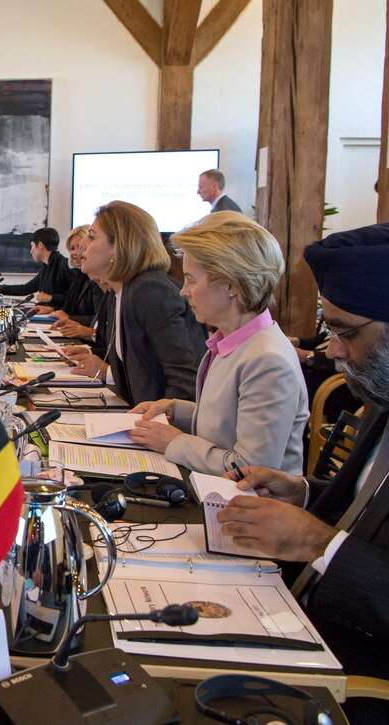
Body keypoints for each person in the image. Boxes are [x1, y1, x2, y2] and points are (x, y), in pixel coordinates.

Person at [217, 222, 389, 694]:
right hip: (302, 613)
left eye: (342, 331)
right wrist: (303, 493)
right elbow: (366, 508)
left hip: (357, 672)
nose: (330, 349)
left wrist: (319, 544)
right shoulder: (383, 398)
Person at [127, 213, 308, 475]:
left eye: (191, 279)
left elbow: (251, 470)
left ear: (230, 285)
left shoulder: (268, 360)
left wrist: (173, 441)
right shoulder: (233, 341)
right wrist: (176, 410)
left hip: (251, 507)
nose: (183, 291)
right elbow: (229, 423)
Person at [65, 201, 205, 406]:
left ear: (120, 246)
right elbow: (139, 363)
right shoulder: (119, 292)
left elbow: (185, 380)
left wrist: (156, 429)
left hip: (162, 428)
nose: (83, 244)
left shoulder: (150, 290)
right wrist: (91, 354)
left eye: (92, 237)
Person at [34, 226, 104, 329]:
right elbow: (71, 307)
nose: (74, 253)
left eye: (80, 247)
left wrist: (69, 317)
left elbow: (100, 320)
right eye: (72, 248)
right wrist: (53, 310)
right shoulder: (80, 275)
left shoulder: (97, 279)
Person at [0, 227, 77, 305]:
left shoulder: (66, 265)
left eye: (32, 246)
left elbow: (76, 298)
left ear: (40, 245)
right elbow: (25, 289)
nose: (31, 251)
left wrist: (51, 298)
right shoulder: (46, 267)